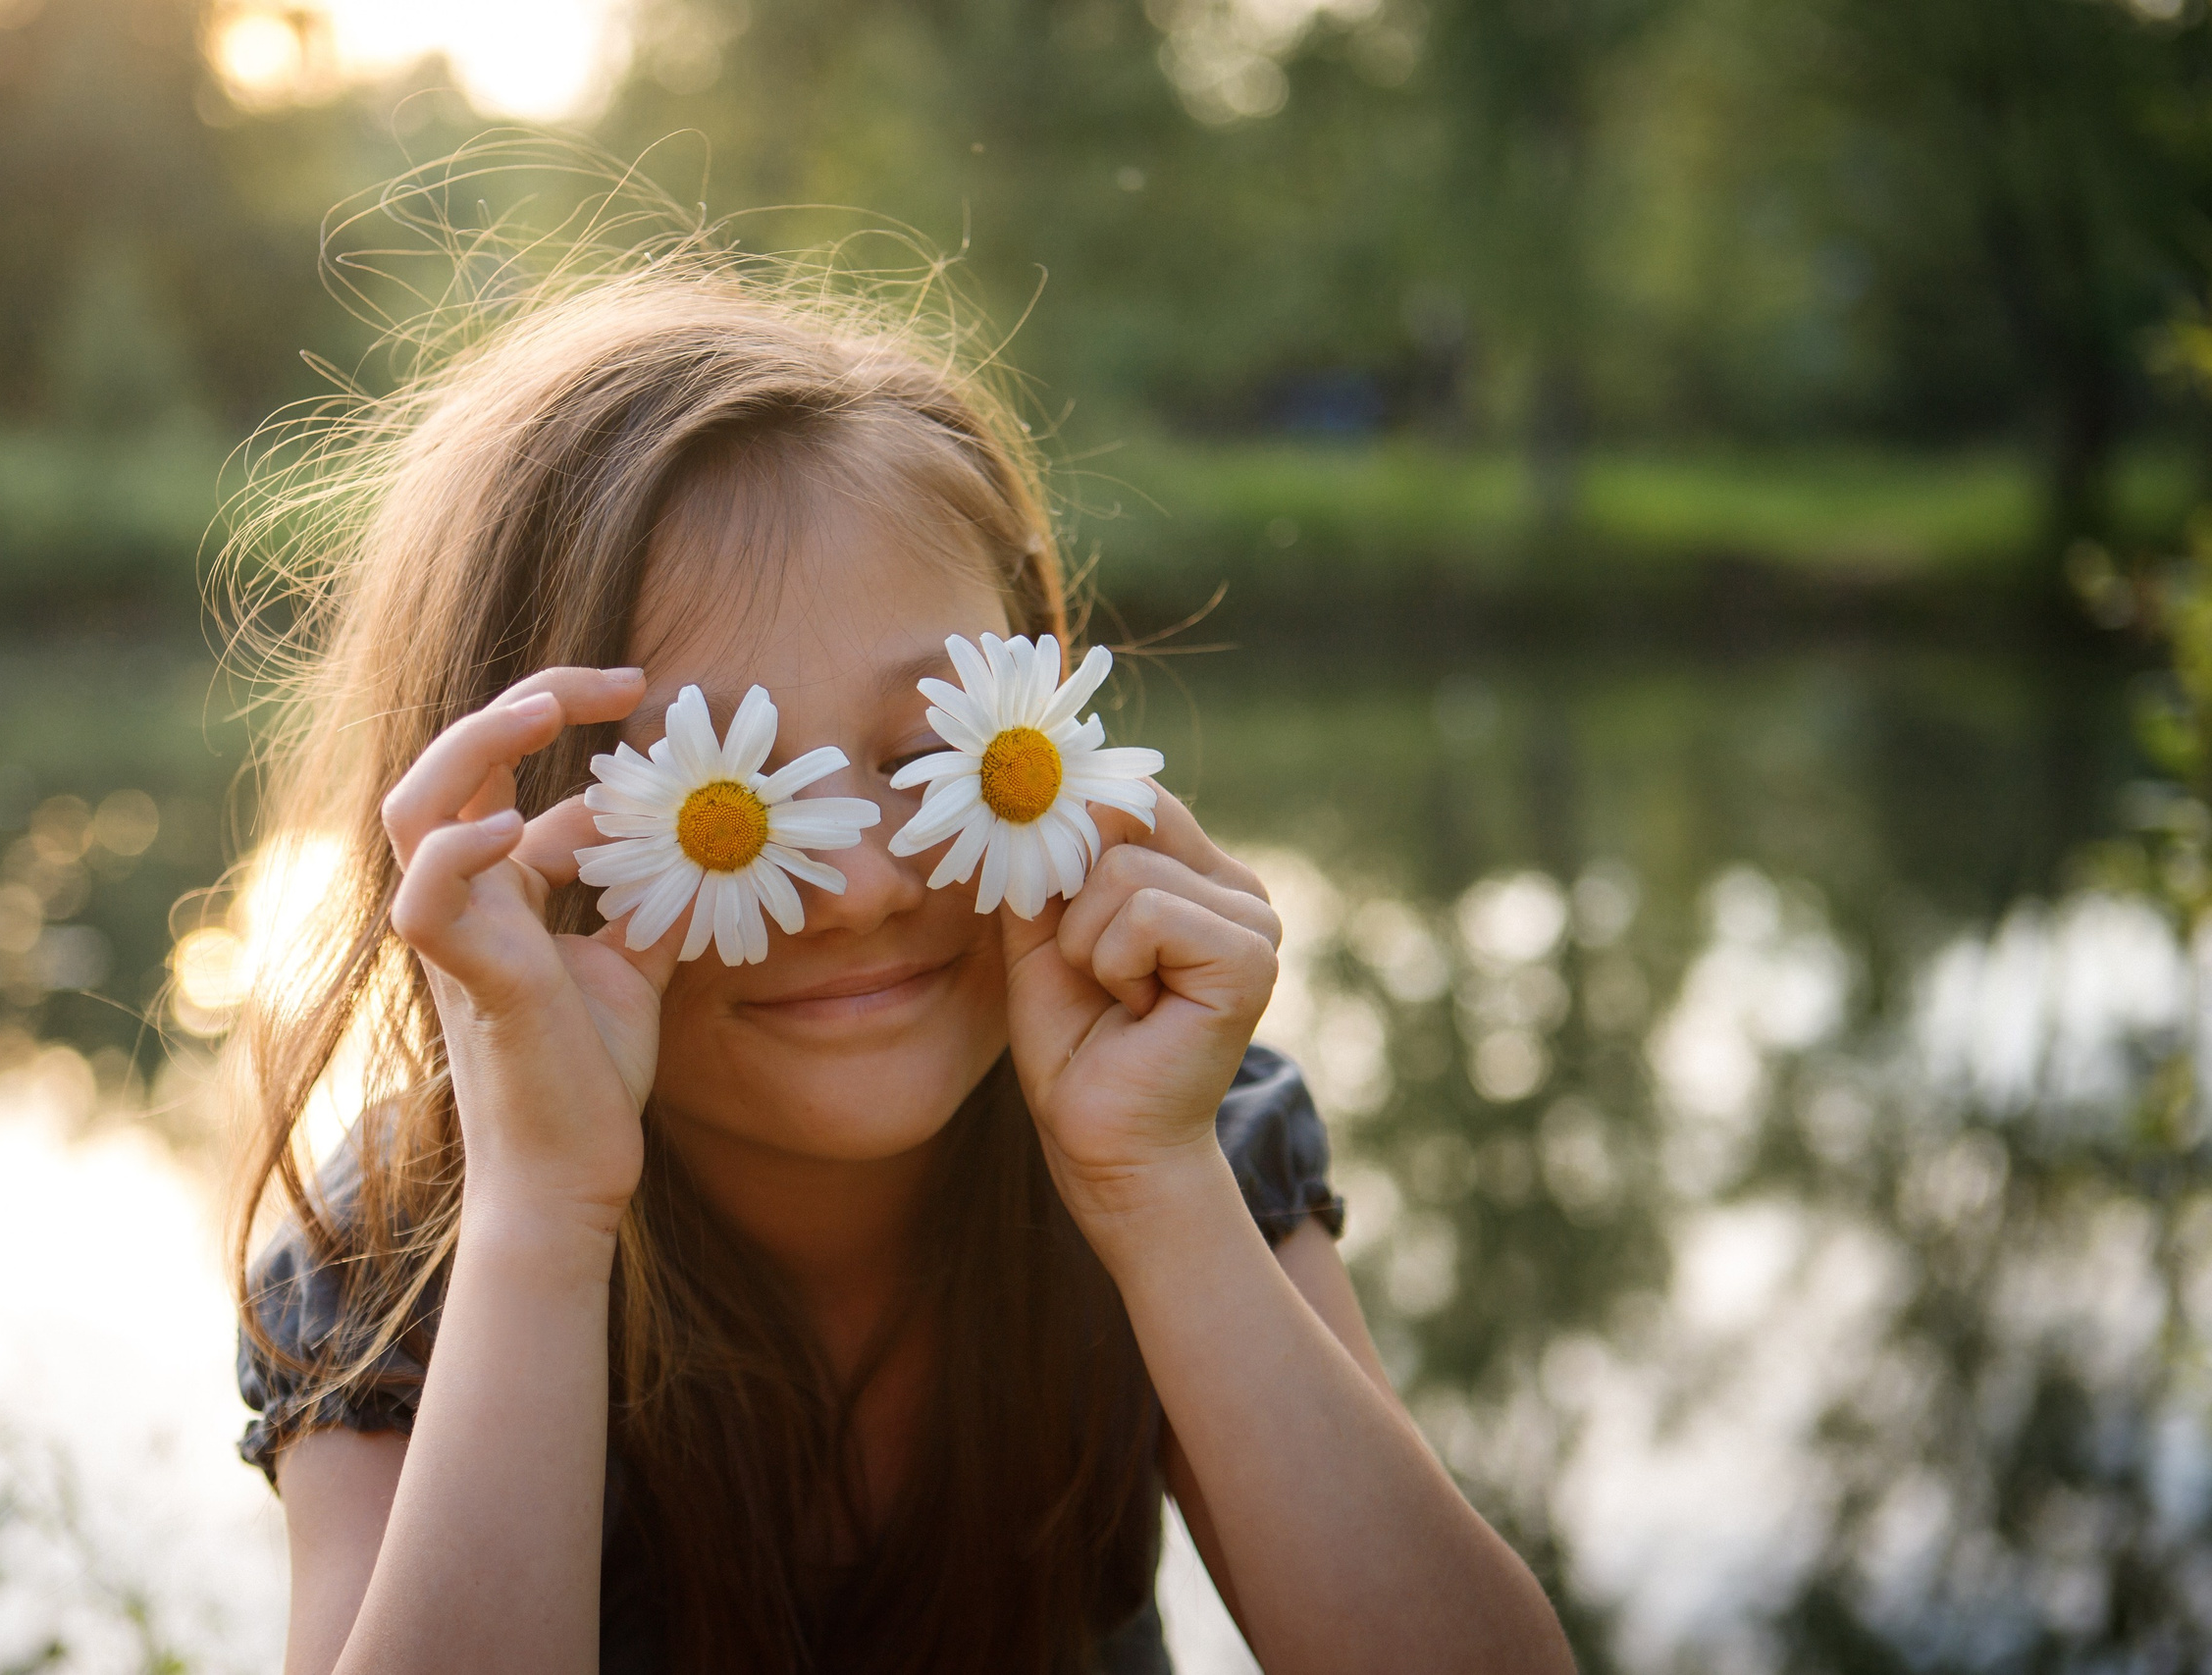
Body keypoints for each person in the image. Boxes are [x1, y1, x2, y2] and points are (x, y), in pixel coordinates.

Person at [223, 226, 1574, 1675]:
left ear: (1050, 728)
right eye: (712, 801)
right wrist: (544, 1222)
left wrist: (1154, 1187)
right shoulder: (400, 1256)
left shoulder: (1198, 1138)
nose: (859, 883)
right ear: (512, 834)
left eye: (936, 749)